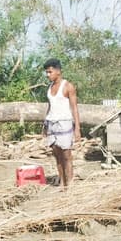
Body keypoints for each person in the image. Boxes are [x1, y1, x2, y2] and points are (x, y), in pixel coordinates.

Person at [42, 58, 81, 190]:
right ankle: (62, 183)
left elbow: (74, 108)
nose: (48, 75)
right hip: (52, 124)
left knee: (66, 155)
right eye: (46, 72)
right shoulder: (49, 88)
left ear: (58, 71)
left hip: (64, 124)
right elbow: (49, 106)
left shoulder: (68, 86)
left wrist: (77, 130)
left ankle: (70, 184)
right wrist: (45, 124)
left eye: (50, 72)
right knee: (57, 155)